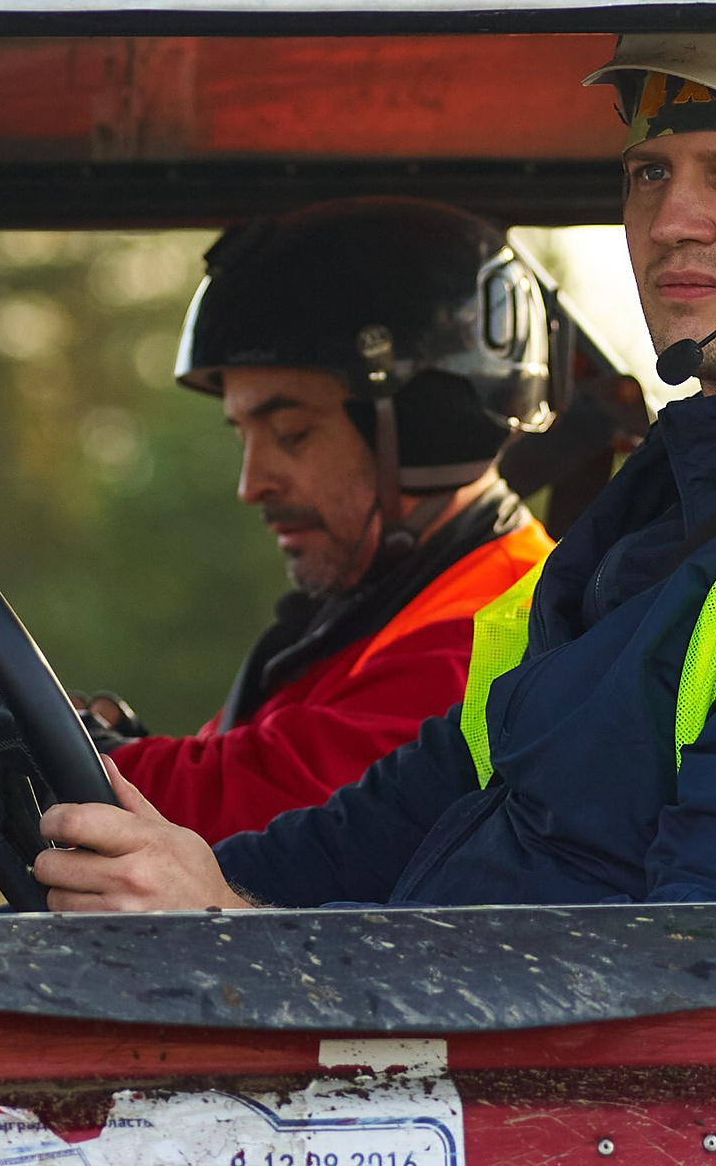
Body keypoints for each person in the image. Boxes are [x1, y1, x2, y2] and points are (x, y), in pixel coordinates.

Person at [33, 29, 716, 910]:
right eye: (649, 173)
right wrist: (194, 893)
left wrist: (228, 937)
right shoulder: (681, 494)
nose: (669, 222)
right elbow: (411, 808)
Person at [95, 198, 558, 842]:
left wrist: (48, 765)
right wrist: (103, 749)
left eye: (291, 433)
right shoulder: (369, 611)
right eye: (242, 436)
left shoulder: (499, 634)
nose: (251, 485)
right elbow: (227, 765)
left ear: (426, 429)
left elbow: (270, 805)